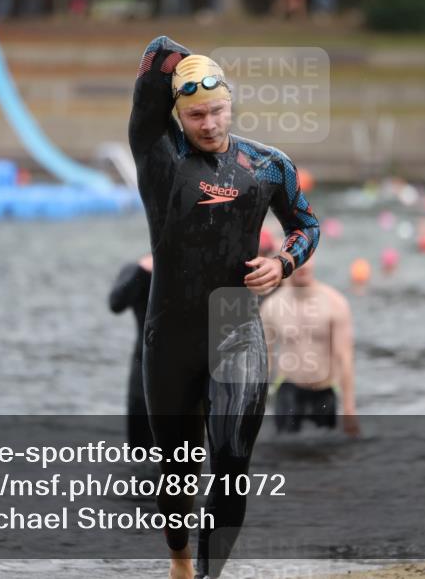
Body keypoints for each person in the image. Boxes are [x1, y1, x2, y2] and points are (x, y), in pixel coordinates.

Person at [128, 36, 320, 579]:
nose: (208, 123)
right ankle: (180, 559)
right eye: (195, 114)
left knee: (233, 462)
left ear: (231, 104)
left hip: (235, 327)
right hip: (169, 337)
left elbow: (308, 226)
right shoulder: (160, 156)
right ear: (178, 114)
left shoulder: (268, 166)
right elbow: (155, 57)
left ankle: (210, 576)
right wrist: (188, 62)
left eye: (216, 110)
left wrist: (283, 262)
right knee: (177, 472)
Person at [261, 256, 359, 437]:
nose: (302, 266)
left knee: (325, 455)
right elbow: (264, 360)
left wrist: (349, 409)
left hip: (324, 390)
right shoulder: (271, 306)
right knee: (281, 454)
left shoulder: (335, 303)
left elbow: (344, 358)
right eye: (296, 261)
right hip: (288, 388)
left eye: (305, 259)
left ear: (313, 260)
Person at [109, 254, 155, 452]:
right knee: (140, 450)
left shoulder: (187, 268)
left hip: (185, 367)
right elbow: (116, 303)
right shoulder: (140, 269)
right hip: (144, 362)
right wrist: (141, 271)